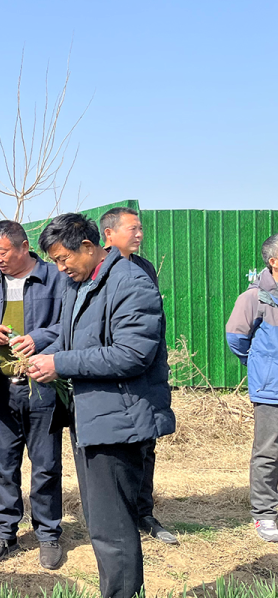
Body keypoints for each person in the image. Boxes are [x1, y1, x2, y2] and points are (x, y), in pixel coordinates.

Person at [28, 213, 174, 598]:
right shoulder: (83, 283)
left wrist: (61, 364)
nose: (60, 268)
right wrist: (44, 352)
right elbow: (70, 336)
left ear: (89, 248)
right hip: (92, 417)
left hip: (119, 421)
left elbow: (132, 354)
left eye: (63, 259)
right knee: (100, 521)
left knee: (114, 528)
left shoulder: (130, 283)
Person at [0, 221, 66, 569]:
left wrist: (41, 339)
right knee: (3, 466)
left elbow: (71, 323)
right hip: (0, 386)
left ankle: (48, 534)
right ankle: (4, 532)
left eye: (2, 251)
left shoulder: (55, 278)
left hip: (42, 386)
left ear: (24, 247)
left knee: (46, 465)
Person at [101, 207, 178, 546]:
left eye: (140, 229)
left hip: (147, 373)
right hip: (111, 372)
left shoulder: (144, 268)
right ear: (109, 234)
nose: (139, 234)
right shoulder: (97, 269)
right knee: (116, 452)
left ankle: (144, 513)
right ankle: (117, 519)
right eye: (132, 229)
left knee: (147, 444)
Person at [226, 233, 278, 543]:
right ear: (274, 261)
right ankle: (264, 514)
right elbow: (236, 338)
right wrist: (261, 367)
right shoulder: (254, 298)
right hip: (271, 389)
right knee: (268, 453)